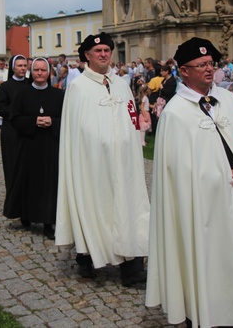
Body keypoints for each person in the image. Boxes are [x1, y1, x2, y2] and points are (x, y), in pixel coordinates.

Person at [146, 37, 233, 327]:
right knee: (209, 257)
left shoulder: (226, 100)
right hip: (202, 205)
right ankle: (203, 308)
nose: (208, 70)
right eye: (200, 66)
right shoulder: (176, 113)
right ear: (184, 71)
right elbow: (179, 172)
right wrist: (220, 175)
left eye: (210, 64)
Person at [55, 32, 150, 286]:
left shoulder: (120, 83)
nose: (104, 54)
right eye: (98, 51)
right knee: (95, 207)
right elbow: (75, 131)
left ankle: (132, 268)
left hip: (125, 163)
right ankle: (87, 255)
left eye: (107, 50)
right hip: (93, 164)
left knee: (129, 208)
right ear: (87, 56)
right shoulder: (78, 87)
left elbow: (130, 119)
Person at [4, 57, 64, 240]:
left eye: (43, 70)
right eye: (36, 70)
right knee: (27, 181)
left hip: (49, 147)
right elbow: (14, 118)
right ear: (32, 71)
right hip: (28, 144)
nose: (39, 73)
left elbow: (67, 120)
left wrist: (52, 122)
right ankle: (26, 214)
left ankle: (48, 222)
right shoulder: (22, 94)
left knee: (49, 184)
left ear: (49, 73)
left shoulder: (58, 95)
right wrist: (33, 121)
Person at [0, 55, 30, 213]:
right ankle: (14, 204)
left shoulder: (31, 84)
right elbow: (0, 107)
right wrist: (16, 114)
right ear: (13, 68)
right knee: (12, 166)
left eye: (25, 65)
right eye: (20, 66)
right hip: (11, 132)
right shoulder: (6, 86)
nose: (23, 68)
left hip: (29, 131)